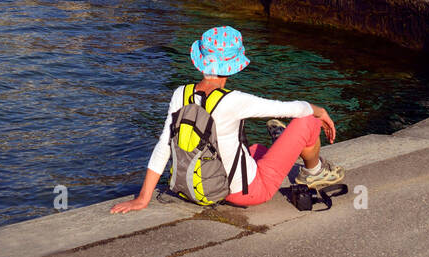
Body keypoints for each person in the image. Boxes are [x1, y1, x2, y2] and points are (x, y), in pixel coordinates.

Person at [110, 25, 343, 214]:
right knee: (308, 121)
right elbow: (290, 109)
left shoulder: (179, 94)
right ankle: (315, 172)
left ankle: (285, 145)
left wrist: (143, 198)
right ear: (232, 68)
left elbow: (163, 146)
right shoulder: (234, 100)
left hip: (199, 188)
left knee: (256, 149)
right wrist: (320, 111)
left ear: (200, 61)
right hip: (247, 193)